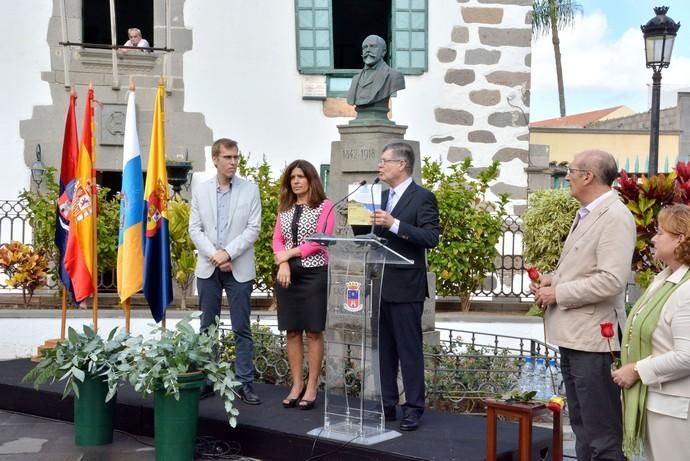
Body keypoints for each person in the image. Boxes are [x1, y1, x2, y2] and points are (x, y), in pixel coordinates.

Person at [532, 149, 636, 461]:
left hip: (594, 340)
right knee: (581, 426)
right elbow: (585, 270)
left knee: (601, 434)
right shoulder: (589, 212)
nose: (567, 177)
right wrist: (551, 279)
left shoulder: (615, 217)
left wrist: (558, 293)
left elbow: (610, 281)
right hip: (575, 335)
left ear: (588, 176)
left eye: (572, 171)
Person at [359, 141, 439, 431]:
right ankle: (387, 405)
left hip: (406, 287)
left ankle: (414, 407)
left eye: (384, 161)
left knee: (409, 350)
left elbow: (430, 237)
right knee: (384, 350)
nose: (380, 166)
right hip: (379, 285)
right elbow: (372, 236)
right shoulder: (379, 196)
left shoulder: (422, 198)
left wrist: (394, 223)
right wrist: (359, 222)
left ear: (401, 165)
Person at [611, 204, 690, 461]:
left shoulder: (686, 291)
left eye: (660, 232)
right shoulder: (664, 280)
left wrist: (636, 370)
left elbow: (687, 355)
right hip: (657, 404)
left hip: (674, 409)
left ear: (680, 238)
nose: (653, 238)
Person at [189, 138, 262, 405]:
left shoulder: (250, 190)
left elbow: (253, 229)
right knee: (207, 327)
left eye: (236, 158)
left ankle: (244, 383)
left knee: (242, 328)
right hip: (209, 268)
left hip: (239, 268)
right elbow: (194, 229)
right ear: (215, 160)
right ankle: (209, 379)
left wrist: (228, 253)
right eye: (228, 157)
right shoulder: (201, 190)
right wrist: (216, 256)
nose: (233, 162)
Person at [272, 160, 334, 410]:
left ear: (311, 180)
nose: (296, 181)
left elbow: (320, 241)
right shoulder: (285, 207)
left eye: (300, 176)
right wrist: (284, 263)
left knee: (313, 331)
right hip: (288, 275)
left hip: (315, 273)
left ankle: (312, 386)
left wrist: (289, 254)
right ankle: (296, 384)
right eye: (292, 177)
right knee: (292, 331)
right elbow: (277, 239)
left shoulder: (325, 206)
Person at [346, 35, 405, 107]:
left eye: (372, 46)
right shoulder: (355, 79)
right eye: (365, 47)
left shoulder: (394, 76)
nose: (367, 50)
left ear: (383, 52)